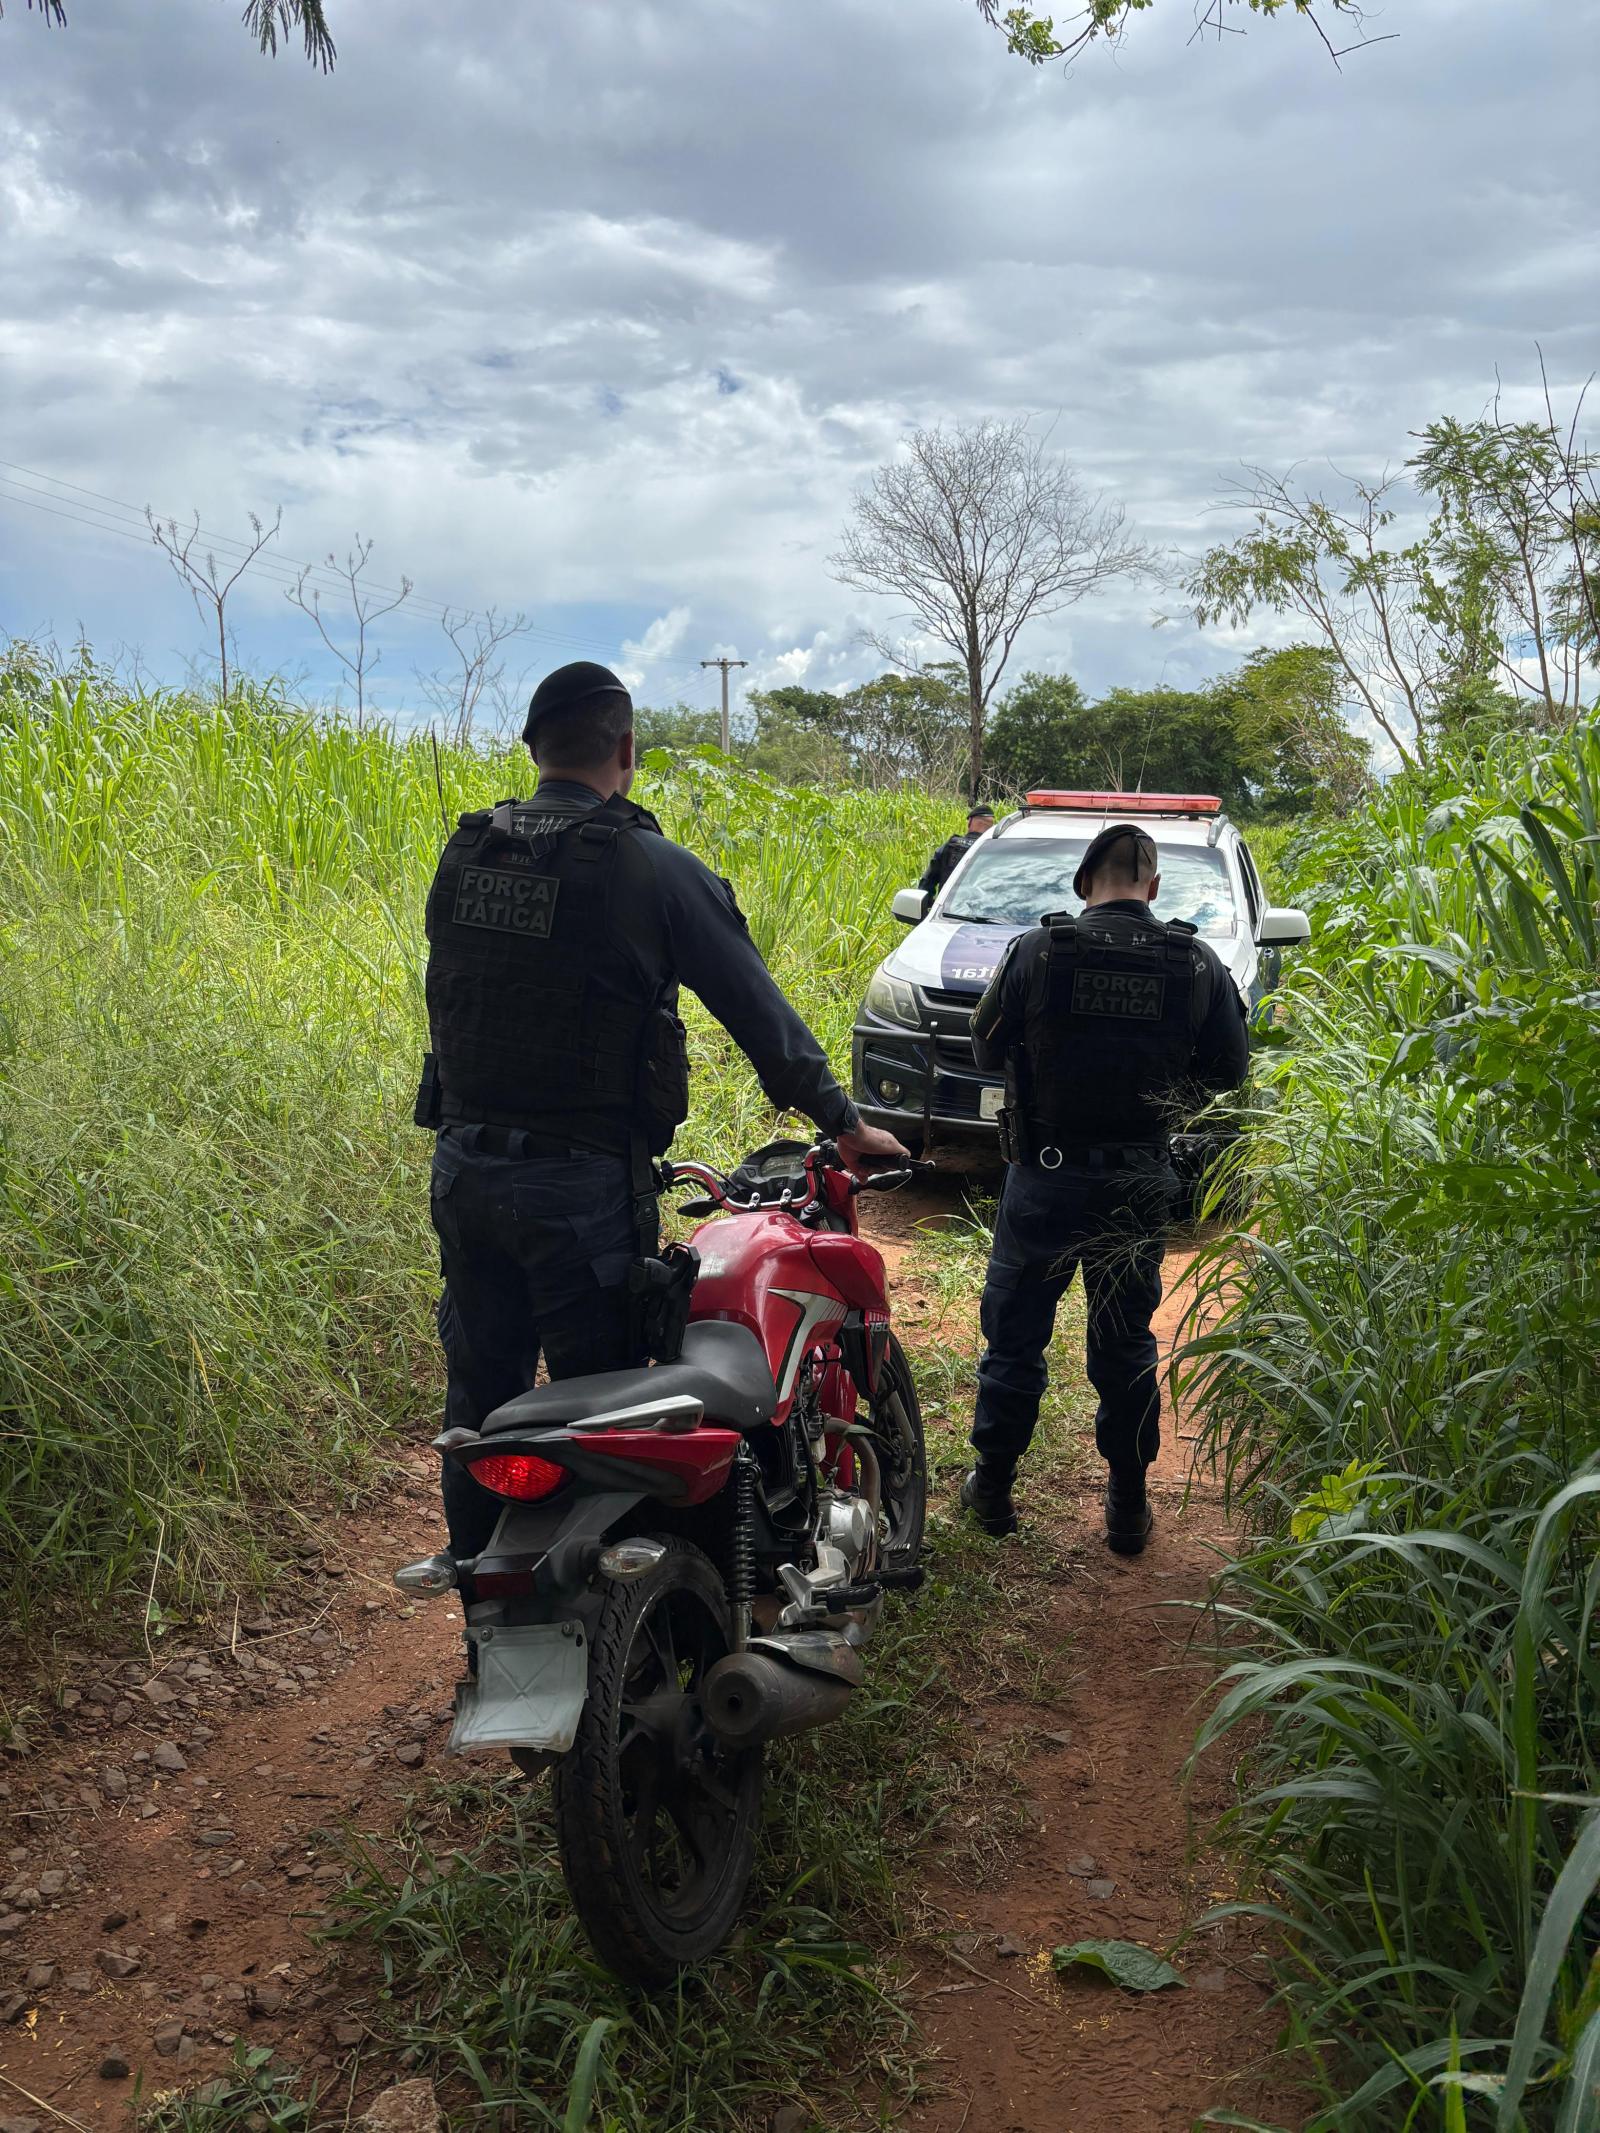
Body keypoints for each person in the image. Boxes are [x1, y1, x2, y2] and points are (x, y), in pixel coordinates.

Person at [418, 660, 908, 1559]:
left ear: (533, 748)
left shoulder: (469, 852)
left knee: (477, 1408)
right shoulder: (650, 867)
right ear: (628, 750)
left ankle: (481, 1619)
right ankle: (618, 1652)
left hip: (463, 1172)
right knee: (609, 1417)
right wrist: (844, 1121)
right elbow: (762, 1018)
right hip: (578, 1190)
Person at [958, 821, 1249, 1552]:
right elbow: (1230, 1073)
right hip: (1137, 1183)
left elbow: (985, 1044)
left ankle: (992, 1490)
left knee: (1016, 1336)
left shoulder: (1037, 951)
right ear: (1152, 886)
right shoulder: (1196, 963)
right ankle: (1125, 1509)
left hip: (1043, 1180)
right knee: (1124, 1347)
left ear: (1084, 885)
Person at [920, 805, 995, 898]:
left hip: (946, 910)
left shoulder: (950, 846)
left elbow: (927, 882)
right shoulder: (994, 852)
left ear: (970, 822)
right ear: (991, 828)